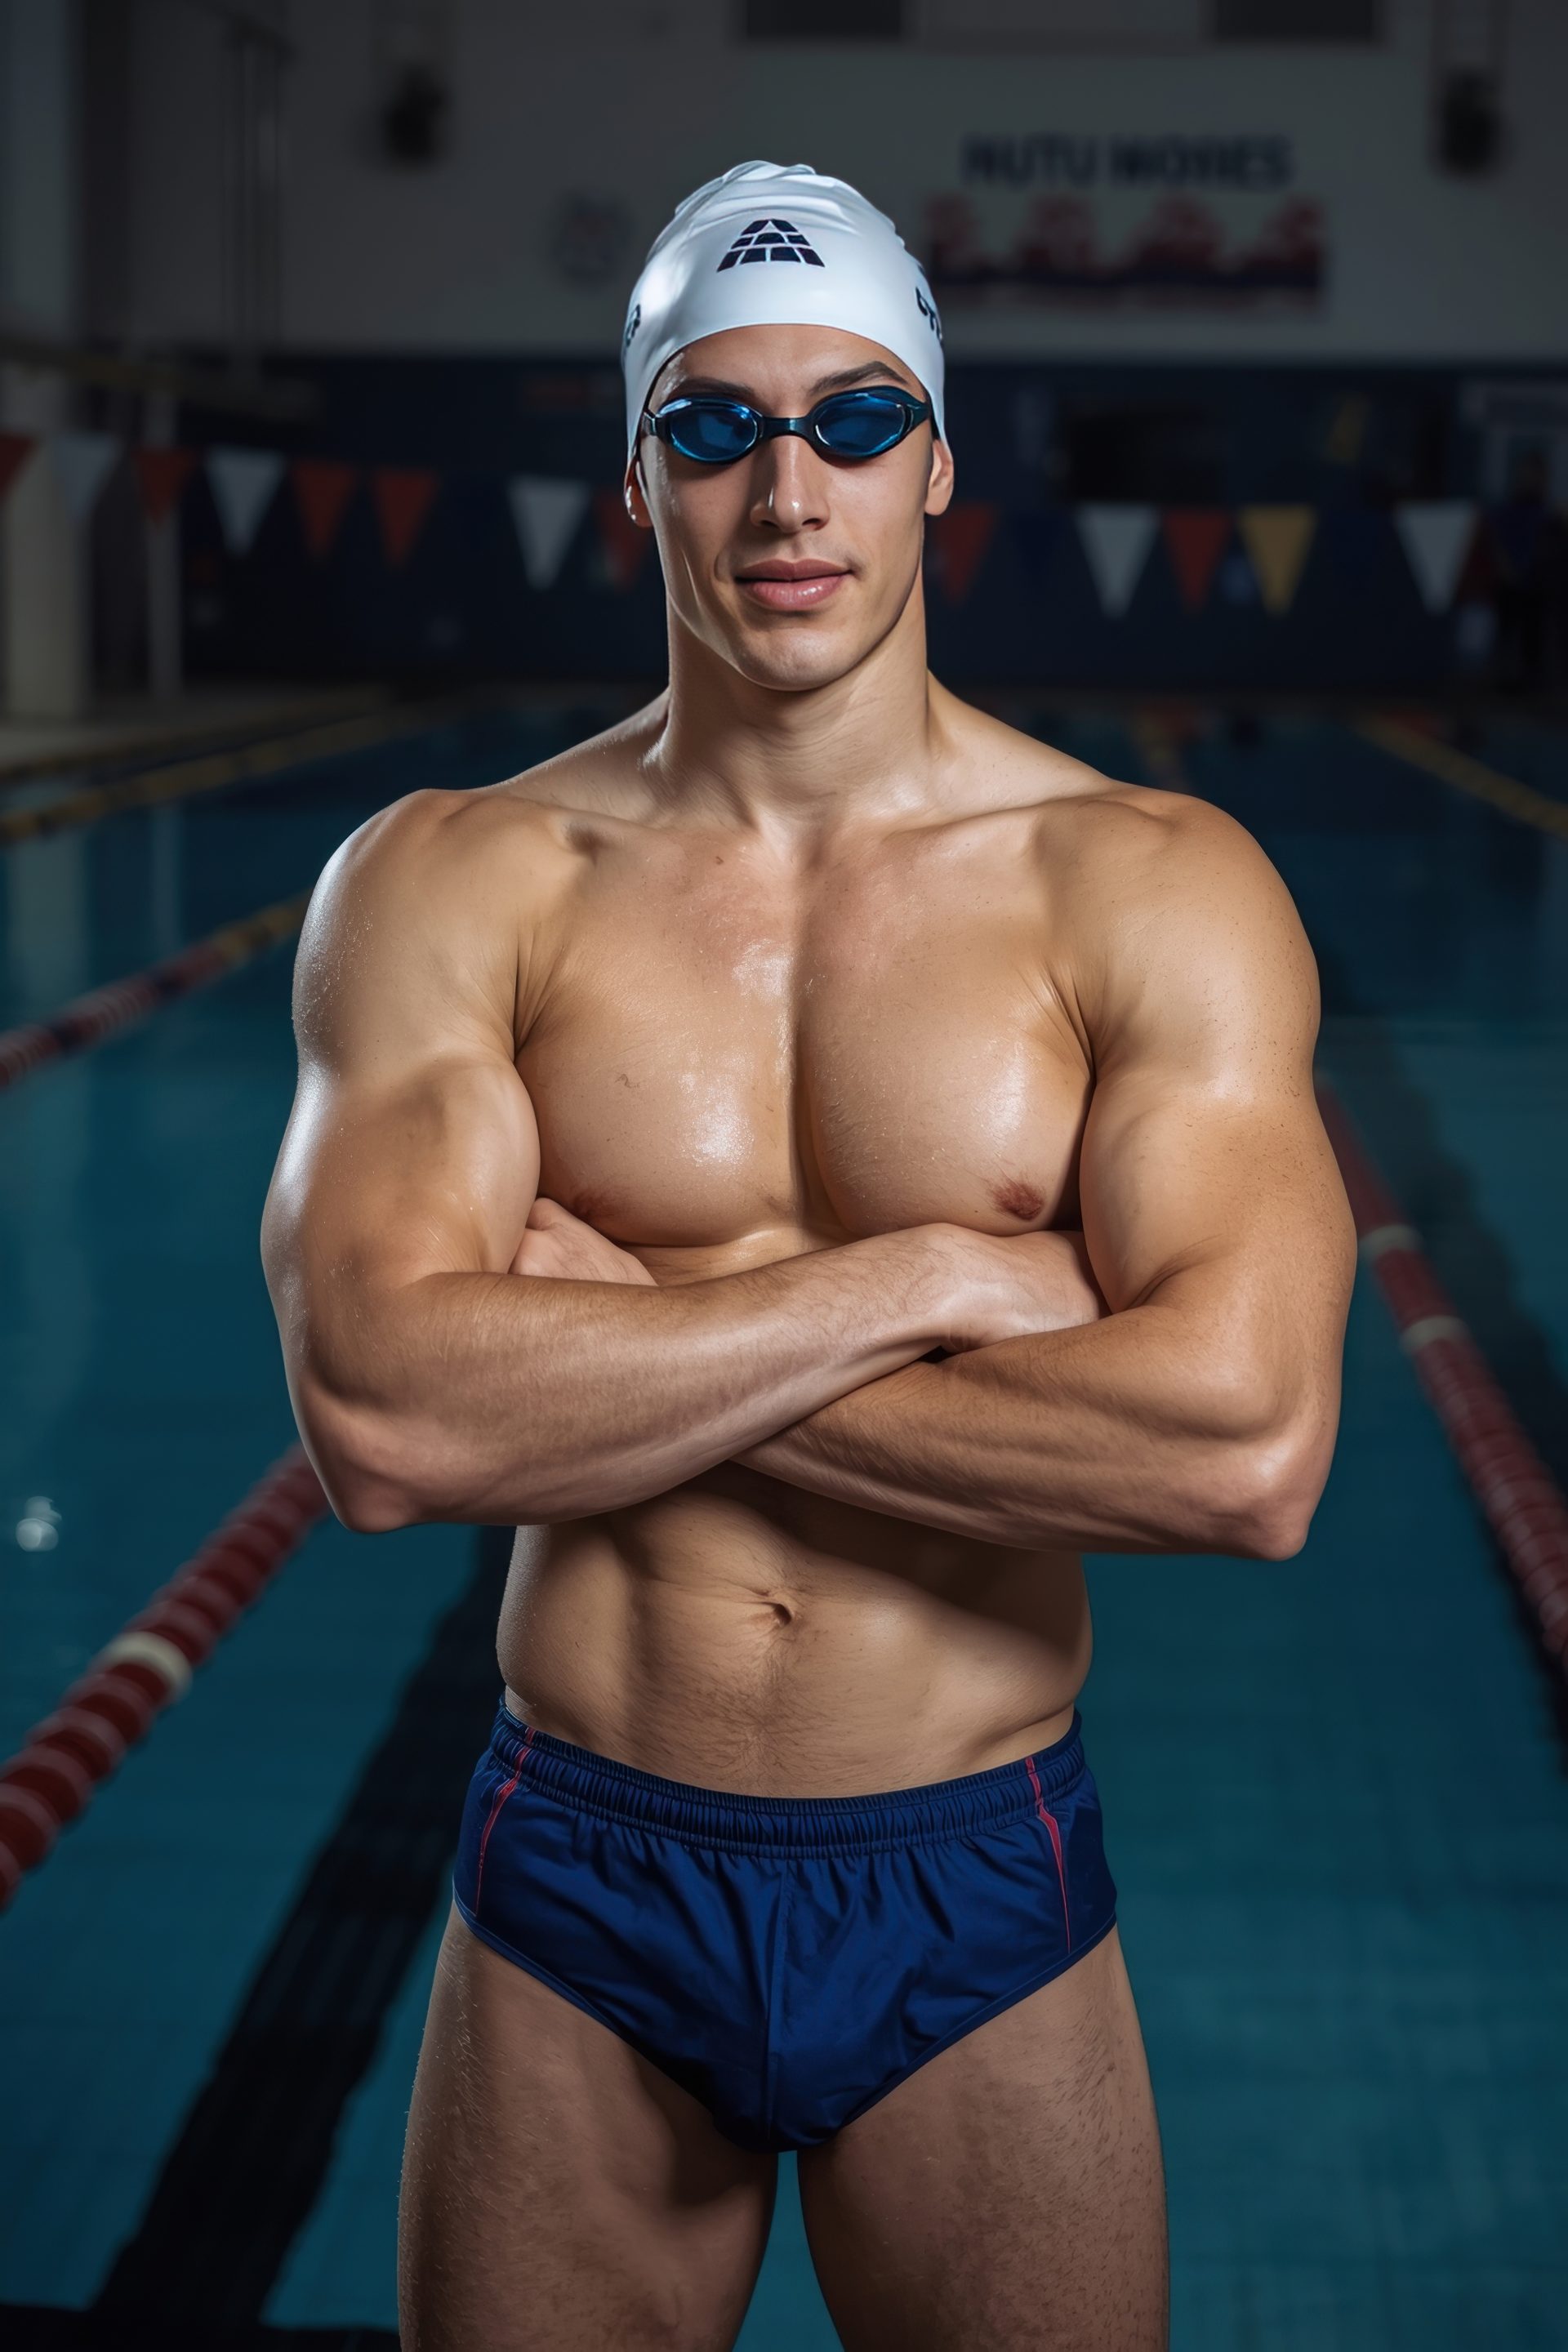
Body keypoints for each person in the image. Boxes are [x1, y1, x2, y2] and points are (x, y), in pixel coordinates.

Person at [263, 162, 1354, 2352]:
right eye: (718, 424)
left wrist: (618, 1343)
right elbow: (384, 1420)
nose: (792, 487)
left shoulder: (1142, 883)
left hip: (972, 1886)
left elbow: (1242, 1455)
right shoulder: (458, 881)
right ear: (636, 475)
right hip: (580, 1868)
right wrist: (928, 1279)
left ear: (939, 458)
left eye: (856, 420)